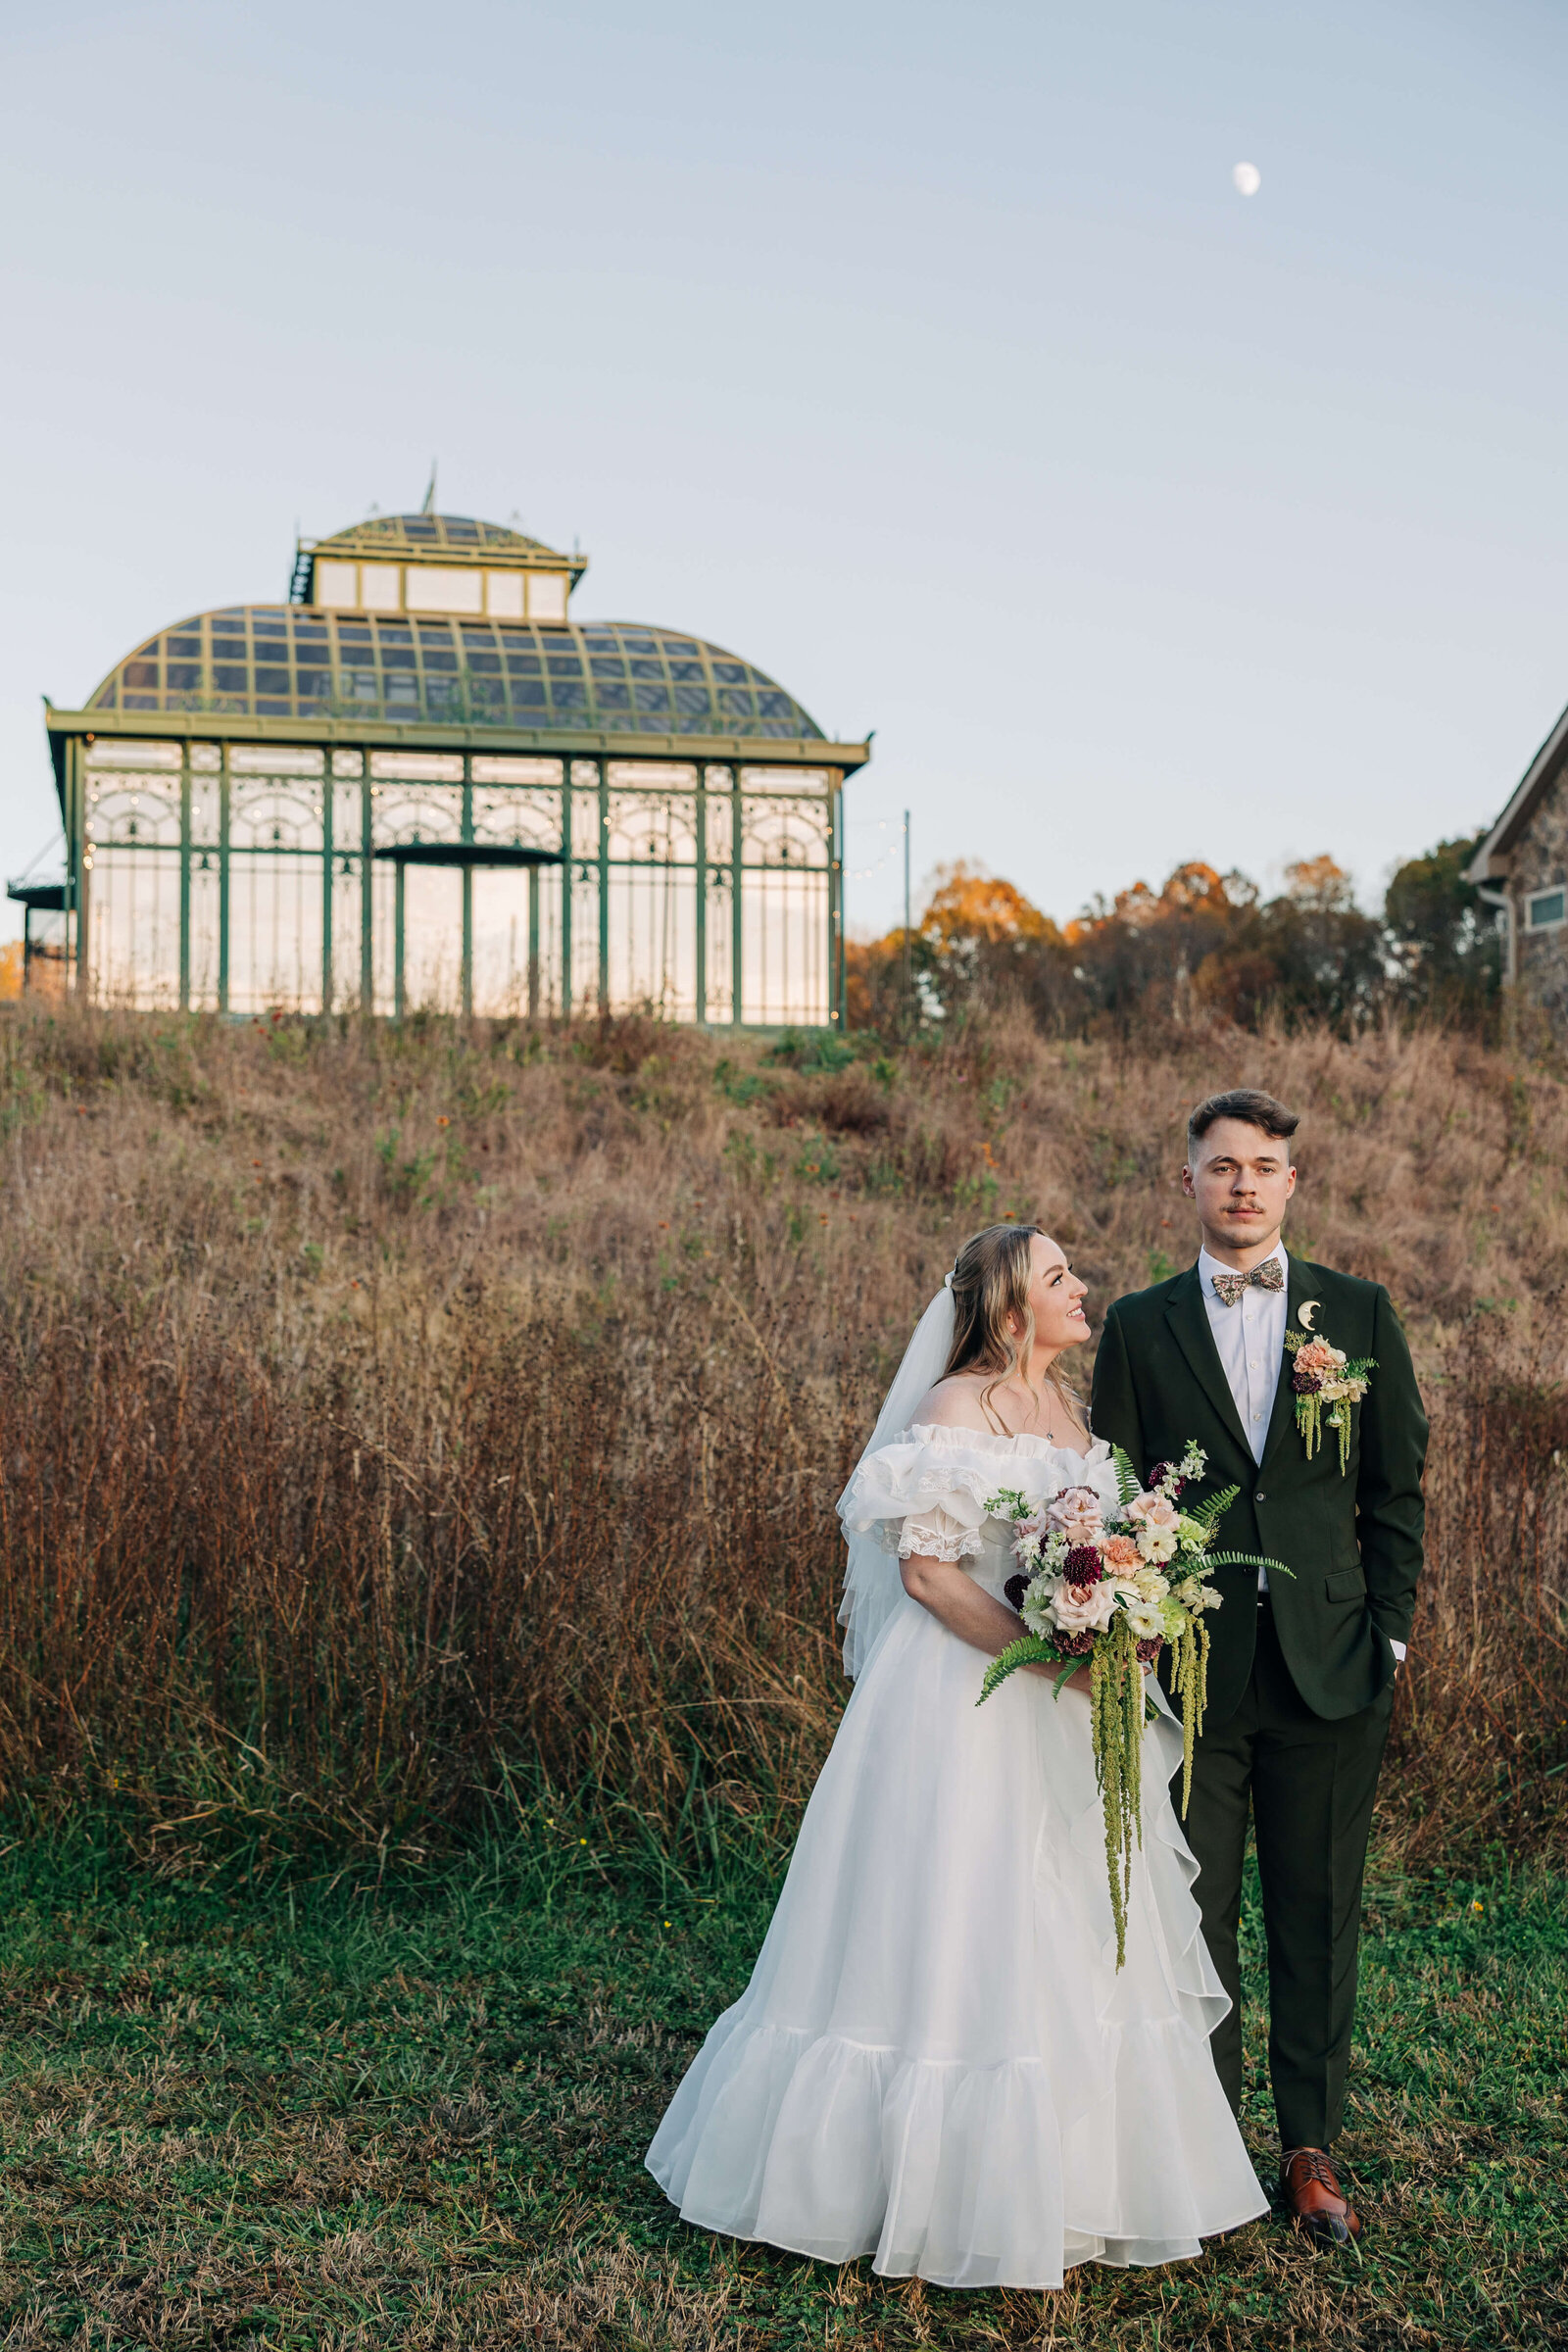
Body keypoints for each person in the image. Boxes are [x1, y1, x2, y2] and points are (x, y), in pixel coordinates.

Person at [646, 1222, 1267, 2290]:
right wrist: (1054, 1659)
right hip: (963, 1707)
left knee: (1071, 1925)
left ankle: (1074, 2181)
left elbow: (1101, 1550)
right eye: (1060, 1276)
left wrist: (1128, 1613)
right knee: (951, 1927)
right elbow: (932, 1578)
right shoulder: (951, 1411)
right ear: (1012, 1307)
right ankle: (892, 2184)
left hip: (1065, 1701)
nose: (1085, 1289)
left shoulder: (1071, 1414)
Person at [1091, 1090, 1428, 2246]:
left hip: (1333, 1664)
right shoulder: (1135, 1328)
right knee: (1195, 1917)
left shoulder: (1362, 1315)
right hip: (1190, 1670)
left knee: (1317, 1910)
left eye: (1264, 1165)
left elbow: (1394, 1490)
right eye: (1221, 1164)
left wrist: (1387, 1630)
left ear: (1292, 1183)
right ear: (1183, 1181)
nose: (1242, 1183)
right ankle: (1202, 2150)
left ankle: (1308, 2148)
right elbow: (1117, 1493)